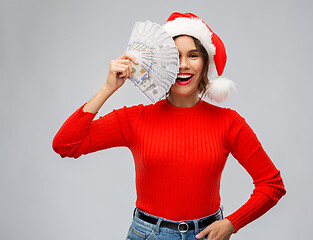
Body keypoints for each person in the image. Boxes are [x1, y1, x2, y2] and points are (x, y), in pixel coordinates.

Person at [52, 12, 286, 240]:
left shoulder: (228, 122)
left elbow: (272, 184)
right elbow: (66, 145)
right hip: (148, 234)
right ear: (162, 63)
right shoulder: (134, 119)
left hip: (206, 235)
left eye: (193, 55)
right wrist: (108, 89)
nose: (183, 65)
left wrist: (232, 223)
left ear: (205, 64)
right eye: (175, 56)